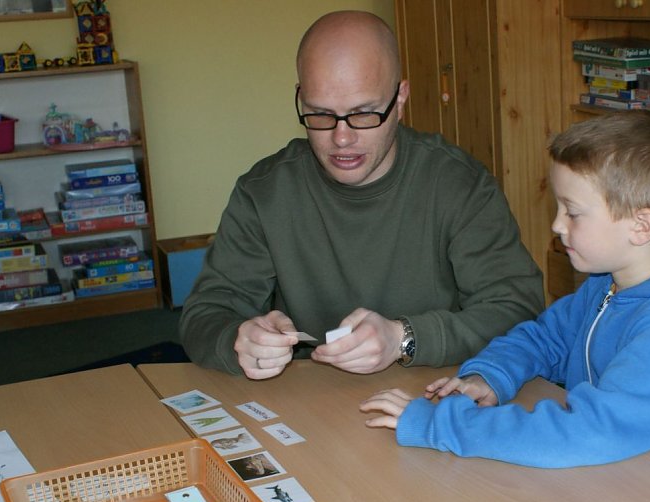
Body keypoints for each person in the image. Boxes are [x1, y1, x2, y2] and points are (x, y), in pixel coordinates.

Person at [360, 110, 650, 474]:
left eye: (572, 212)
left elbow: (584, 432)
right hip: (611, 475)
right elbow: (543, 338)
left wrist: (439, 425)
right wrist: (491, 374)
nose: (556, 224)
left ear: (641, 227)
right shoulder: (608, 286)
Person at [179, 10, 543, 380]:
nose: (341, 137)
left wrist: (405, 338)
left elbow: (517, 308)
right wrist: (238, 341)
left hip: (429, 391)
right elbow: (205, 314)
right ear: (300, 98)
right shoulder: (265, 192)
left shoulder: (458, 184)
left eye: (364, 114)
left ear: (400, 99)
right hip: (307, 396)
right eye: (320, 114)